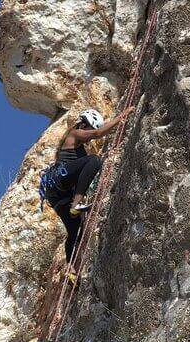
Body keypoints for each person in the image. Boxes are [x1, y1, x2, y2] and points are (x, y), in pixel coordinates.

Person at [46, 107, 134, 264]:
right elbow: (97, 134)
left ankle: (70, 268)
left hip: (58, 195)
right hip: (60, 179)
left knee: (75, 229)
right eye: (90, 129)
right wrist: (121, 116)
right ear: (83, 124)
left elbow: (84, 173)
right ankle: (77, 203)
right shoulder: (74, 132)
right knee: (94, 160)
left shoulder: (78, 150)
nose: (89, 137)